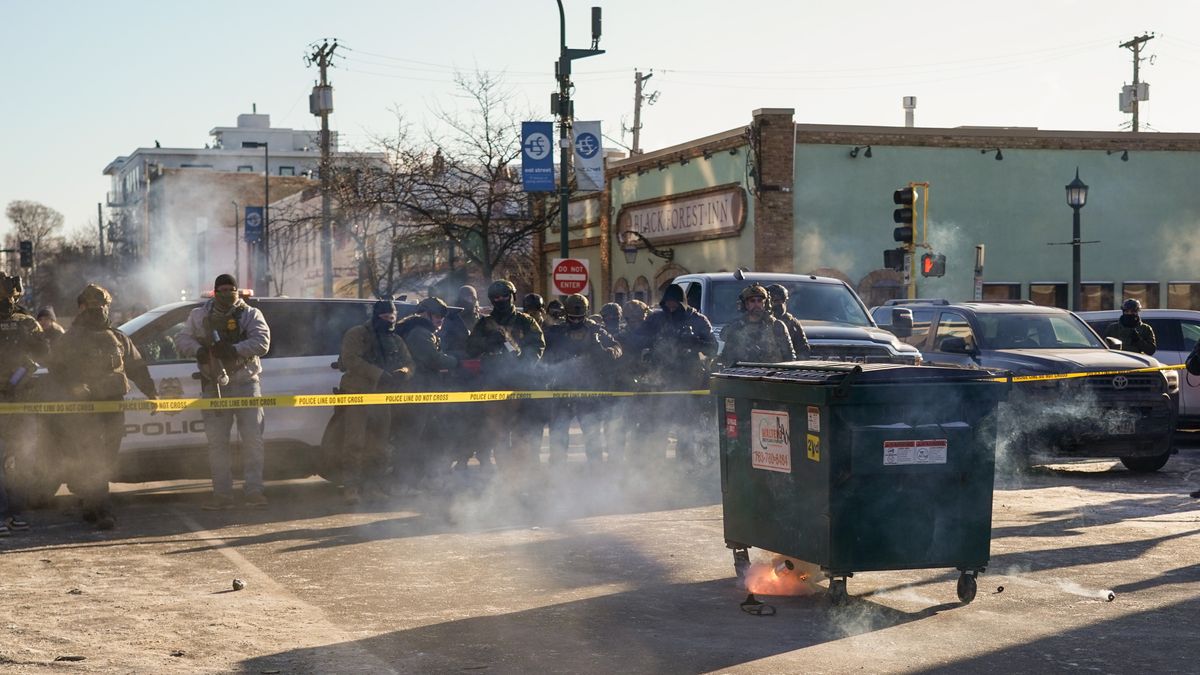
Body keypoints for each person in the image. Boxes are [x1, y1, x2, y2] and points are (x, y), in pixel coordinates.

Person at [49, 283, 157, 530]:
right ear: (81, 306)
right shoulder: (70, 339)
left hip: (112, 406)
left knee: (106, 457)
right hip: (83, 409)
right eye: (92, 304)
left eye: (102, 304)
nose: (98, 309)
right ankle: (100, 508)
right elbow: (55, 368)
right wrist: (73, 385)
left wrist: (152, 393)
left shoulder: (117, 337)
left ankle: (92, 503)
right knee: (91, 456)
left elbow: (136, 367)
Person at [175, 274, 272, 510]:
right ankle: (222, 495)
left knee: (252, 441)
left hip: (246, 383)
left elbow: (262, 342)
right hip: (214, 385)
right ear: (215, 292)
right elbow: (181, 339)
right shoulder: (199, 316)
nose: (228, 293)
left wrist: (233, 350)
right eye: (223, 289)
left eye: (232, 289)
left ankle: (254, 491)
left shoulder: (249, 314)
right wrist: (198, 350)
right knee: (217, 444)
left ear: (237, 291)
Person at [466, 280, 545, 490]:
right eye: (496, 298)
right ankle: (504, 481)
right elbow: (470, 347)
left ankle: (522, 481)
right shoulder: (484, 324)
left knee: (522, 435)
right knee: (498, 433)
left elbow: (538, 345)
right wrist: (488, 342)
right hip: (494, 385)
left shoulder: (526, 321)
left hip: (521, 385)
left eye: (504, 296)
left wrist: (521, 359)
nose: (500, 300)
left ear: (513, 296)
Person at [629, 284, 719, 466]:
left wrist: (695, 342)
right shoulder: (656, 319)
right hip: (660, 379)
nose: (671, 307)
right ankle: (657, 464)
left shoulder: (697, 319)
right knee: (659, 425)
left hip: (688, 380)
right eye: (667, 303)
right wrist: (654, 340)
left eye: (674, 303)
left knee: (687, 426)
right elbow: (634, 340)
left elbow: (713, 347)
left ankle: (685, 465)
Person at [336, 297, 413, 504]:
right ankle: (351, 487)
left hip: (382, 396)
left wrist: (402, 373)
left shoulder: (394, 339)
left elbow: (409, 362)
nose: (390, 320)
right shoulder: (357, 334)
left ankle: (374, 485)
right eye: (385, 317)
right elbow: (351, 359)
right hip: (357, 394)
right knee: (354, 442)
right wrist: (379, 374)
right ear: (377, 316)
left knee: (380, 443)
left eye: (393, 317)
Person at [543, 294, 622, 465]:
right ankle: (556, 475)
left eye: (579, 317)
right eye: (572, 317)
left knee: (592, 437)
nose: (576, 321)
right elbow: (542, 353)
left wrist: (603, 350)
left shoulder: (596, 330)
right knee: (558, 437)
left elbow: (617, 348)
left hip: (588, 390)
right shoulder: (556, 332)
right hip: (562, 390)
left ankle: (595, 474)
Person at [0, 272, 47, 535]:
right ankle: (14, 513)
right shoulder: (26, 322)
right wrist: (19, 374)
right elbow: (45, 354)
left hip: (15, 401)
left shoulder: (26, 322)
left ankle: (8, 514)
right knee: (17, 459)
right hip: (20, 400)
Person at [396, 297, 459, 490]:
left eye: (442, 316)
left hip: (426, 390)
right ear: (425, 314)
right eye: (437, 315)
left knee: (428, 436)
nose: (440, 320)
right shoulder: (419, 333)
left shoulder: (423, 331)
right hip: (419, 391)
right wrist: (457, 361)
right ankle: (406, 481)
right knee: (414, 437)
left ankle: (424, 478)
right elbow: (433, 359)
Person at [718, 284, 796, 367]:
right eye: (752, 301)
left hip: (771, 375)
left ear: (765, 304)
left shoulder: (776, 326)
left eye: (759, 301)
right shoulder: (736, 328)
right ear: (746, 304)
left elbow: (790, 357)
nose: (756, 304)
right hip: (742, 374)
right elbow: (726, 357)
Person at [765, 284, 811, 357]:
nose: (778, 304)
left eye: (781, 300)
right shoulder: (761, 321)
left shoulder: (792, 322)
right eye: (773, 301)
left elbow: (803, 350)